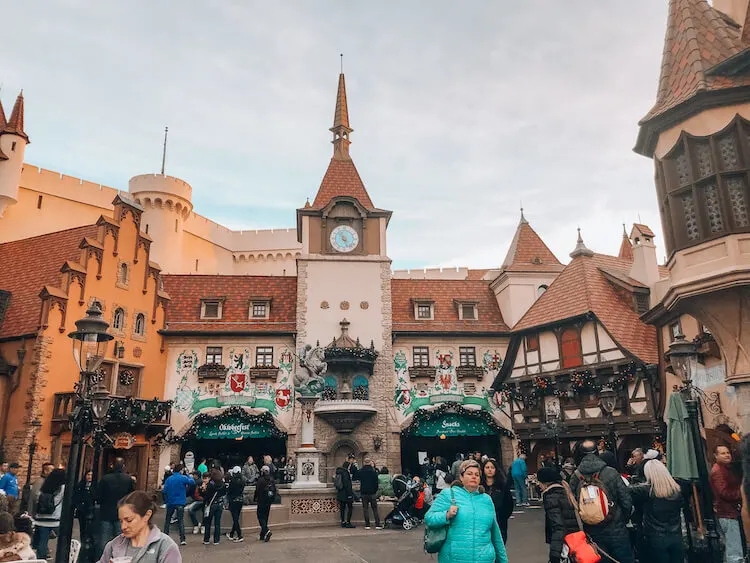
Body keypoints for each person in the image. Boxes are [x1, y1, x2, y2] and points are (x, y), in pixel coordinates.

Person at [424, 459, 509, 563]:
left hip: (484, 559)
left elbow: (495, 533)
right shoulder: (448, 494)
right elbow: (429, 518)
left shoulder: (486, 499)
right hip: (454, 558)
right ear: (461, 477)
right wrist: (446, 515)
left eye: (477, 475)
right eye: (469, 473)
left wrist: (503, 560)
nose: (474, 477)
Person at [569, 439, 633, 563]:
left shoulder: (575, 477)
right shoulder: (611, 472)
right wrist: (621, 518)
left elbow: (574, 504)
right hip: (616, 528)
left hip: (591, 531)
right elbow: (626, 500)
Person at [97, 490, 181, 563]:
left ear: (147, 515)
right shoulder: (114, 545)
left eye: (129, 520)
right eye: (121, 521)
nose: (123, 527)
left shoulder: (165, 547)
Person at [630, 460, 685, 563]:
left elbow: (626, 490)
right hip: (676, 535)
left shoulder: (647, 491)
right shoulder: (677, 489)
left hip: (655, 537)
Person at [537, 466, 580, 563]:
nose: (538, 484)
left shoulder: (551, 496)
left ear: (545, 482)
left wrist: (554, 555)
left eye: (539, 481)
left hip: (565, 543)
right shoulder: (565, 491)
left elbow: (558, 527)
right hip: (575, 540)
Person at [709, 444, 743, 563]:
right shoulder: (718, 471)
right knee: (734, 549)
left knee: (732, 547)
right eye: (723, 453)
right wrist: (742, 494)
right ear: (715, 456)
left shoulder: (725, 468)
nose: (727, 455)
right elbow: (724, 492)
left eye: (727, 452)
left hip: (728, 512)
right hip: (727, 513)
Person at [98, 457, 135, 552]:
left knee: (105, 539)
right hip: (122, 512)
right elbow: (131, 495)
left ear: (112, 466)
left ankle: (105, 558)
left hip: (106, 511)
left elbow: (99, 495)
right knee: (121, 538)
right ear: (123, 466)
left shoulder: (105, 478)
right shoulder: (128, 479)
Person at [32, 467, 65, 560]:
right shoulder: (63, 488)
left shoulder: (45, 486)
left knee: (42, 541)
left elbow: (38, 498)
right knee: (63, 540)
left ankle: (40, 560)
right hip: (55, 518)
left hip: (41, 518)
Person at [481, 458, 514, 544]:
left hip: (499, 521)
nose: (490, 470)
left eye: (492, 467)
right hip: (482, 521)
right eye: (487, 467)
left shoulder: (502, 485)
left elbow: (509, 503)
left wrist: (503, 516)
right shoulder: (479, 486)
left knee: (499, 545)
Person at [162, 463, 193, 546]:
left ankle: (165, 537)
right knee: (180, 521)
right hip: (180, 502)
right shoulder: (183, 478)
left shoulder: (169, 479)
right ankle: (182, 539)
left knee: (168, 520)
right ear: (181, 470)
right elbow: (192, 482)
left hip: (171, 502)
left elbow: (164, 491)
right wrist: (187, 474)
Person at [202, 468, 226, 545]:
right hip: (219, 504)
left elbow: (205, 497)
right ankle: (216, 540)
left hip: (211, 505)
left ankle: (206, 539)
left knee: (208, 523)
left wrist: (202, 490)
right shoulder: (222, 484)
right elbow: (224, 493)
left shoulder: (209, 485)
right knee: (217, 523)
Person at [254, 465, 276, 542]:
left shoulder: (260, 480)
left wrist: (255, 499)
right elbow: (275, 490)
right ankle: (262, 535)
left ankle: (267, 531)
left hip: (261, 501)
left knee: (260, 517)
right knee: (265, 517)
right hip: (268, 502)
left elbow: (257, 491)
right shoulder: (272, 479)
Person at [74, 470, 96, 545]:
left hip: (92, 510)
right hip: (82, 510)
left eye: (91, 475)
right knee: (82, 528)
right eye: (88, 475)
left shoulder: (95, 486)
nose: (90, 477)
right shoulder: (80, 485)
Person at [358, 457, 381, 530]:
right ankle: (377, 524)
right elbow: (376, 483)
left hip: (364, 492)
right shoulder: (374, 471)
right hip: (372, 493)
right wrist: (375, 490)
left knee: (365, 509)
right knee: (375, 509)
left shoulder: (361, 471)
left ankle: (367, 525)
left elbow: (357, 478)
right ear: (370, 463)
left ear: (364, 462)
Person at [226, 466, 245, 542]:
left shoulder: (232, 481)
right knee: (236, 518)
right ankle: (231, 533)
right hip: (240, 500)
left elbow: (229, 491)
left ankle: (240, 535)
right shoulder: (242, 480)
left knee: (235, 518)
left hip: (233, 501)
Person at [335, 461, 356, 528]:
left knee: (342, 508)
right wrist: (350, 494)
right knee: (350, 507)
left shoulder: (339, 471)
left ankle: (343, 522)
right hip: (346, 494)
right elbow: (347, 485)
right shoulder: (345, 473)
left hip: (340, 493)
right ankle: (348, 522)